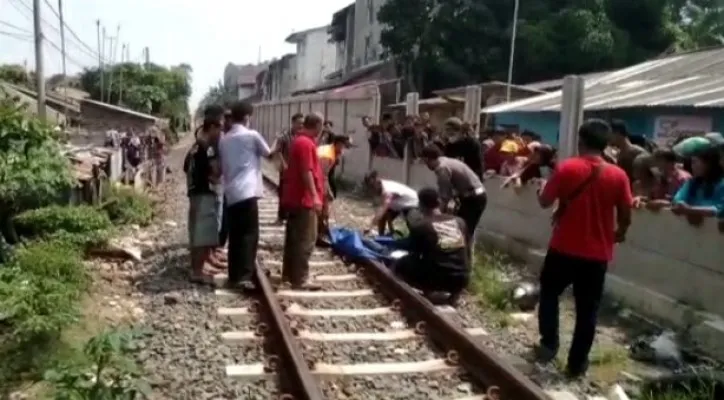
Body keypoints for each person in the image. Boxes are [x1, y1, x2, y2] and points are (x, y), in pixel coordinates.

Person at [535, 119, 632, 378]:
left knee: (549, 293)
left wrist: (542, 188)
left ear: (581, 141)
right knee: (587, 310)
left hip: (563, 248)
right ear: (605, 144)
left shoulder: (567, 168)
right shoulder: (618, 174)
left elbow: (545, 202)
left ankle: (548, 344)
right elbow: (625, 213)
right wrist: (618, 234)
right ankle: (576, 364)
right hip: (597, 255)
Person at [218, 101, 273, 292]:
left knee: (235, 235)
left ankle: (234, 274)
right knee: (249, 235)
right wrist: (278, 144)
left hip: (231, 193)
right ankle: (245, 276)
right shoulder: (252, 136)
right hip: (248, 192)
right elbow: (269, 154)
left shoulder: (224, 139)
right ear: (248, 117)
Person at [393, 187, 470, 305]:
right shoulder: (460, 222)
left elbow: (414, 253)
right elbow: (467, 251)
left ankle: (427, 293)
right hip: (461, 279)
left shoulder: (421, 226)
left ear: (420, 206)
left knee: (401, 263)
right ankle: (455, 296)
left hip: (436, 280)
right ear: (439, 202)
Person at [280, 113, 324, 290]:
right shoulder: (305, 143)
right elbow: (307, 172)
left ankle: (290, 274)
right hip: (303, 200)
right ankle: (300, 278)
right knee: (306, 239)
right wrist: (315, 197)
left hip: (296, 198)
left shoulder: (300, 141)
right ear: (318, 125)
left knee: (294, 237)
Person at [420, 144, 487, 246]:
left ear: (428, 159)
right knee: (462, 228)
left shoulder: (442, 169)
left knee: (464, 230)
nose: (426, 165)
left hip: (473, 199)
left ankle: (465, 256)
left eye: (425, 161)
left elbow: (444, 197)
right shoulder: (446, 160)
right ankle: (465, 253)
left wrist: (435, 217)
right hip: (474, 195)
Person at [184, 117, 223, 284]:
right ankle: (197, 272)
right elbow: (215, 172)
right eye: (219, 129)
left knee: (197, 233)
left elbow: (186, 167)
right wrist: (214, 177)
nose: (220, 133)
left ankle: (200, 268)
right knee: (202, 234)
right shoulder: (208, 148)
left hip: (194, 193)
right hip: (204, 193)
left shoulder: (195, 147)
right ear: (212, 127)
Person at [671, 146, 724, 226]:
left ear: (708, 164)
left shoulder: (721, 185)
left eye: (695, 162)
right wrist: (683, 206)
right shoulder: (691, 183)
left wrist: (692, 210)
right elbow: (677, 200)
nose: (692, 166)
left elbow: (719, 209)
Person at [316, 134, 351, 242]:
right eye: (344, 146)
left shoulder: (330, 150)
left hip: (318, 180)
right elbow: (322, 175)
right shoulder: (327, 155)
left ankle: (322, 230)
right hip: (315, 181)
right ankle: (319, 234)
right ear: (338, 144)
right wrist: (328, 191)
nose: (345, 150)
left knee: (324, 208)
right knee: (321, 209)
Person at [363, 170, 420, 236]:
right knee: (382, 216)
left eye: (372, 186)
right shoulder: (381, 187)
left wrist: (370, 226)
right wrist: (391, 229)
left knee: (412, 223)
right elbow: (386, 211)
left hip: (413, 205)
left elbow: (382, 210)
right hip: (400, 205)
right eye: (369, 187)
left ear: (377, 181)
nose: (371, 189)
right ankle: (381, 237)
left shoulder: (388, 191)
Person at [272, 113, 304, 225]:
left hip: (299, 171)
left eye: (302, 123)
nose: (301, 125)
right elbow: (278, 151)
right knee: (283, 193)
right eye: (299, 123)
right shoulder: (284, 136)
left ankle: (293, 217)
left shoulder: (303, 136)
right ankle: (281, 217)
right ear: (293, 123)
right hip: (286, 170)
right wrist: (283, 163)